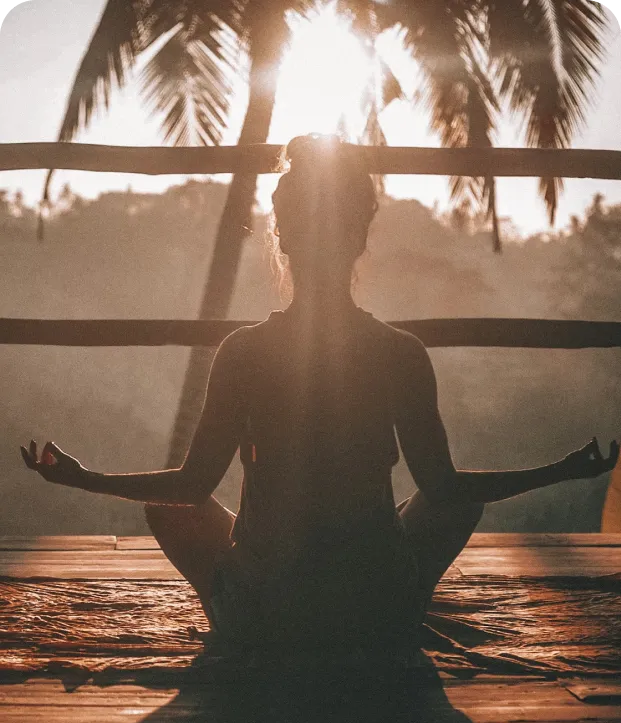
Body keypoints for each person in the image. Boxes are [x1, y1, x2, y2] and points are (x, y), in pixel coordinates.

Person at [21, 133, 619, 658]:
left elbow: (191, 486)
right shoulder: (399, 352)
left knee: (169, 508)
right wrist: (562, 470)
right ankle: (401, 604)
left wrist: (85, 478)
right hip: (373, 612)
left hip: (268, 616)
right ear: (359, 239)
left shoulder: (245, 351)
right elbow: (445, 488)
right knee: (455, 500)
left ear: (282, 239)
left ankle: (234, 616)